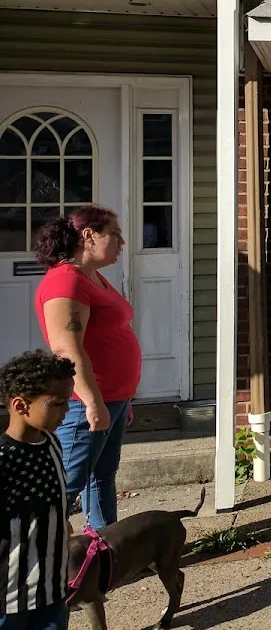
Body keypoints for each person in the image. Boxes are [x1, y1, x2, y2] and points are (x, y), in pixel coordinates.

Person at [34, 206, 141, 531]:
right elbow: (66, 349)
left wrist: (122, 400)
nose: (122, 242)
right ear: (89, 236)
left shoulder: (91, 277)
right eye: (115, 234)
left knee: (102, 476)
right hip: (85, 402)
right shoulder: (65, 282)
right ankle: (32, 551)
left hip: (113, 398)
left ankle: (102, 547)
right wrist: (93, 402)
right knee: (66, 484)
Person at [0, 350, 76, 630]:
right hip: (9, 596)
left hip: (52, 588)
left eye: (68, 402)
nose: (66, 412)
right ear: (21, 405)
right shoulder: (4, 459)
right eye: (57, 404)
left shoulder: (52, 444)